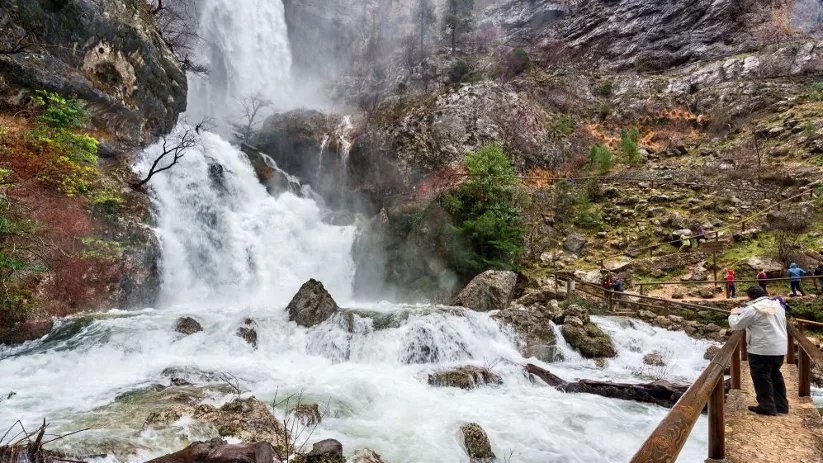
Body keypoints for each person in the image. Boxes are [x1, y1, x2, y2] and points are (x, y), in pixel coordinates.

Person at [728, 286, 788, 416]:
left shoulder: (752, 309)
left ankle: (767, 406)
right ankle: (781, 406)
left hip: (761, 349)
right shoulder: (778, 306)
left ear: (750, 297)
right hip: (779, 348)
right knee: (775, 375)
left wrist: (732, 314)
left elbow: (736, 325)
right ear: (765, 294)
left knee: (761, 377)